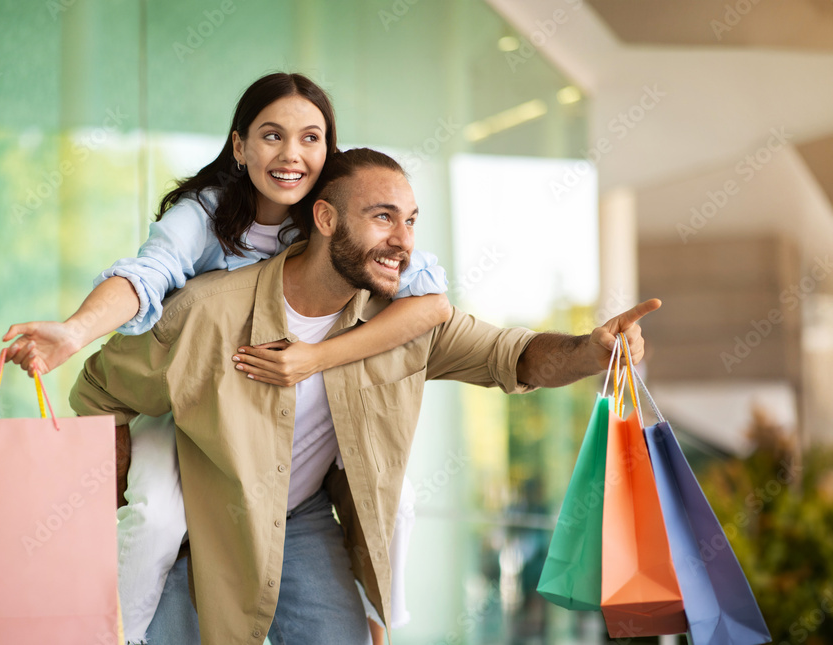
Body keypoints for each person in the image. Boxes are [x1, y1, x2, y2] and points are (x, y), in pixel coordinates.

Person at [68, 147, 661, 644]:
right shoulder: (209, 311)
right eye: (383, 218)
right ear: (324, 219)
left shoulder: (405, 324)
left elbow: (515, 355)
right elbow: (99, 388)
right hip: (200, 529)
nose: (403, 240)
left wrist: (591, 351)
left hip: (300, 525)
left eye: (410, 221)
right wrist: (125, 498)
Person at [2, 73, 449, 644]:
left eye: (311, 138)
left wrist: (317, 357)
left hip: (288, 413)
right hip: (194, 403)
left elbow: (431, 302)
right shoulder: (207, 212)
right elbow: (148, 273)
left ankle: (379, 623)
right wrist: (74, 331)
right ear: (239, 146)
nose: (291, 155)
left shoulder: (336, 221)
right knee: (158, 520)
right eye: (271, 136)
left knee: (395, 495)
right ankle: (121, 634)